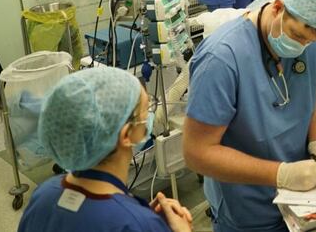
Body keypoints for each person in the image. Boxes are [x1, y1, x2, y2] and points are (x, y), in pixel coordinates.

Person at [183, 0, 316, 232]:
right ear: (277, 7)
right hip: (247, 212)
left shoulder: (308, 44)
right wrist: (282, 175)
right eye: (296, 36)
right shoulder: (222, 59)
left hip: (302, 201)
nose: (300, 47)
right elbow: (197, 153)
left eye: (308, 42)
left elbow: (315, 86)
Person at [18, 67, 192, 232]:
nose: (150, 116)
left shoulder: (43, 195)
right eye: (146, 110)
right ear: (126, 135)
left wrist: (138, 211)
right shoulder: (137, 225)